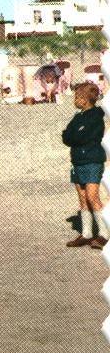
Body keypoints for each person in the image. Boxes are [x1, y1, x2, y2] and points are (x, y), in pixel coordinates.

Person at [63, 81, 108, 249]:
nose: (75, 99)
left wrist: (76, 136)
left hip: (92, 161)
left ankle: (104, 234)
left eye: (77, 97)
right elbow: (66, 136)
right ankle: (87, 233)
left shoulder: (96, 117)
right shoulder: (78, 117)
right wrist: (76, 135)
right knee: (82, 198)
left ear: (85, 99)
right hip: (78, 161)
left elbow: (86, 137)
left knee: (92, 197)